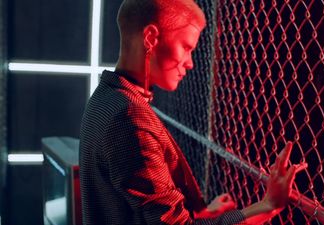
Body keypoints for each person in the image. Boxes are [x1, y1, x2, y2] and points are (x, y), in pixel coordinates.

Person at [79, 0, 308, 224]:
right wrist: (268, 205)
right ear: (151, 38)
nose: (190, 63)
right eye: (186, 48)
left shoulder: (106, 97)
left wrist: (201, 214)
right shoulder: (129, 117)